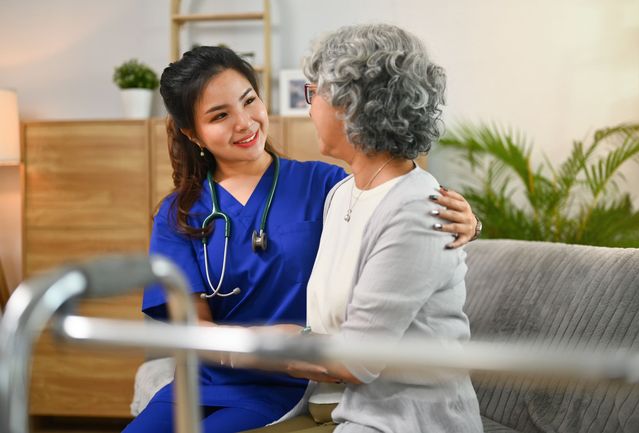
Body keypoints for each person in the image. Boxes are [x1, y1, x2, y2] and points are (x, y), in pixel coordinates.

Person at [122, 45, 479, 433]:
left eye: (249, 101)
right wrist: (253, 346)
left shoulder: (326, 186)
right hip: (206, 378)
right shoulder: (178, 214)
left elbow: (401, 205)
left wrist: (471, 222)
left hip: (288, 381)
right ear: (194, 134)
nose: (244, 123)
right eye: (220, 115)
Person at [244, 23, 483, 433]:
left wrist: (257, 347)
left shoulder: (418, 211)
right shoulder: (341, 195)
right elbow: (329, 331)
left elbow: (354, 361)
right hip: (348, 410)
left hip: (411, 421)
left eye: (313, 92)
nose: (308, 107)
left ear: (351, 105)